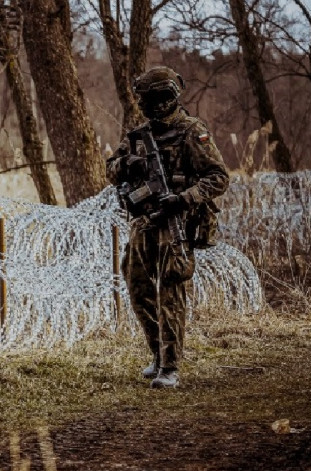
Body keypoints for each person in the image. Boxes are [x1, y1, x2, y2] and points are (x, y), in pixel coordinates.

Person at [106, 66, 230, 389]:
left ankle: (170, 367)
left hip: (177, 224)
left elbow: (219, 177)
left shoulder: (191, 132)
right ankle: (158, 355)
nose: (157, 105)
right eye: (151, 99)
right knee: (137, 287)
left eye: (162, 98)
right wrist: (126, 164)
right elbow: (110, 169)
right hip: (145, 224)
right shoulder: (139, 136)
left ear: (173, 97)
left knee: (171, 292)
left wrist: (184, 198)